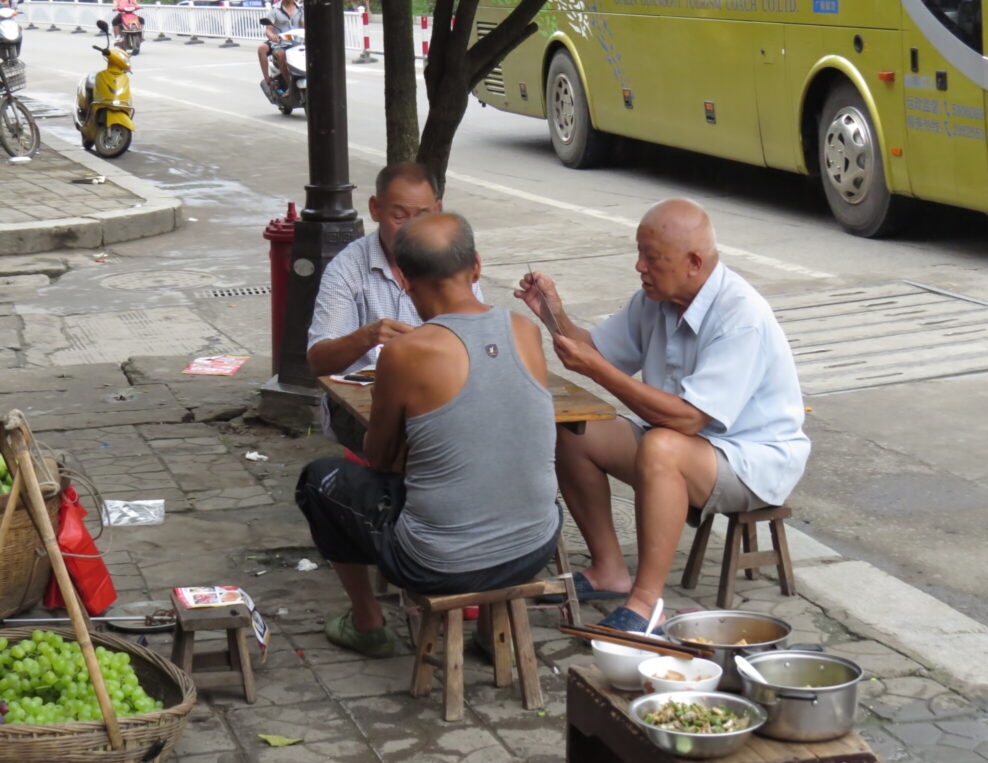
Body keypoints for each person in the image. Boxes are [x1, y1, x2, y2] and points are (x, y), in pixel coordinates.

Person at [516, 198, 810, 632]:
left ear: (694, 263)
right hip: (680, 442)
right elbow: (597, 351)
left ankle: (646, 603)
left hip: (750, 460)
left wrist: (598, 371)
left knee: (662, 446)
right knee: (574, 430)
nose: (640, 267)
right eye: (639, 254)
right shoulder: (656, 300)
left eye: (652, 258)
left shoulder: (740, 314)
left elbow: (689, 419)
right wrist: (553, 314)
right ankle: (608, 570)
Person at [296, 212, 562, 657]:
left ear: (403, 279)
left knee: (320, 479)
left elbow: (379, 458)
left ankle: (367, 622)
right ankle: (490, 630)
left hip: (437, 564)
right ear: (476, 267)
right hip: (536, 547)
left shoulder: (405, 353)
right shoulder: (525, 330)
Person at [307, 162, 482, 439]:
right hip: (361, 404)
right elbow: (318, 362)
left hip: (435, 393)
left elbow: (477, 337)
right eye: (399, 217)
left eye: (422, 217)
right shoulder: (347, 268)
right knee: (416, 436)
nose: (411, 231)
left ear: (437, 211)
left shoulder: (450, 261)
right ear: (376, 209)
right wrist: (368, 336)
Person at [258, 0, 303, 97]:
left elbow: (304, 26)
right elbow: (268, 30)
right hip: (280, 41)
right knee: (265, 49)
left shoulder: (301, 9)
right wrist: (272, 35)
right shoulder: (275, 10)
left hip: (296, 42)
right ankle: (269, 80)